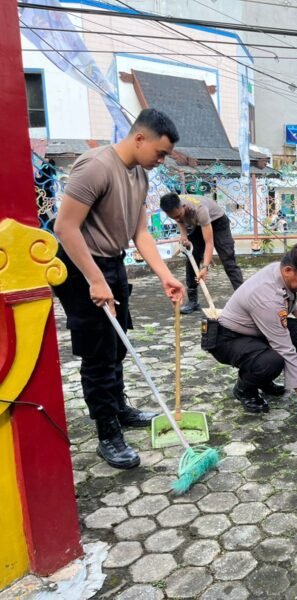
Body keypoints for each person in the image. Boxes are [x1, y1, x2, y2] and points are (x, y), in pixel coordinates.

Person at [52, 108, 183, 470]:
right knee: (98, 352)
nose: (161, 160)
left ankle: (119, 407)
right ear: (139, 138)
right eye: (160, 152)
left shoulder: (139, 174)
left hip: (112, 263)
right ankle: (107, 432)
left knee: (119, 341)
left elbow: (140, 232)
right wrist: (95, 279)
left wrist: (163, 275)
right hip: (80, 266)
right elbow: (65, 228)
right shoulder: (95, 166)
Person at [206, 243, 297, 421]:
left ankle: (263, 380)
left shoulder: (279, 270)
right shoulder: (265, 296)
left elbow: (286, 294)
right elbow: (285, 348)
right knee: (273, 359)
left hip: (255, 330)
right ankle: (245, 389)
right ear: (289, 270)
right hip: (228, 338)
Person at [159, 192, 244, 314]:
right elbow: (180, 220)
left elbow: (209, 243)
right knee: (192, 257)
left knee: (228, 260)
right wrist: (184, 236)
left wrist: (205, 267)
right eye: (173, 217)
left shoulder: (199, 210)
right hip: (199, 225)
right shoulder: (176, 205)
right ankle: (193, 302)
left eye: (178, 215)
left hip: (218, 222)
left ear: (183, 206)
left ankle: (243, 300)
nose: (177, 219)